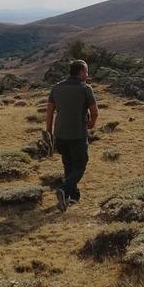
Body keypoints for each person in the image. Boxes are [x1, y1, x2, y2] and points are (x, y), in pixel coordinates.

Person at [45, 59, 99, 212]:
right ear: (81, 72)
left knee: (68, 165)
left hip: (60, 134)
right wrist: (91, 124)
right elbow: (94, 112)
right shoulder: (85, 88)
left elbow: (49, 111)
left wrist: (49, 131)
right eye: (86, 71)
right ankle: (64, 189)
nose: (87, 74)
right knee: (80, 164)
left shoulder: (56, 87)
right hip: (77, 134)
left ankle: (72, 196)